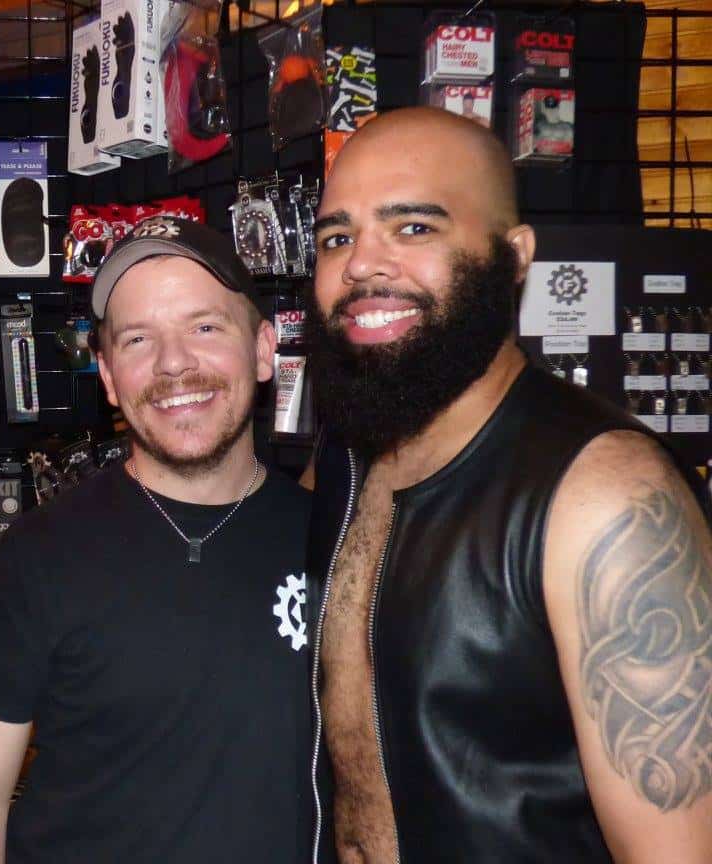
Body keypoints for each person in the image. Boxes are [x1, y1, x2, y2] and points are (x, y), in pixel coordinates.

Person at [304, 106, 712, 863]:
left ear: (514, 257)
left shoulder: (605, 498)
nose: (361, 264)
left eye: (413, 227)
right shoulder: (348, 452)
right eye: (336, 237)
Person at [0, 216, 317, 863]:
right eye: (138, 339)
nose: (173, 362)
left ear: (262, 349)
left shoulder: (328, 542)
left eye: (204, 327)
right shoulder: (40, 556)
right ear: (108, 376)